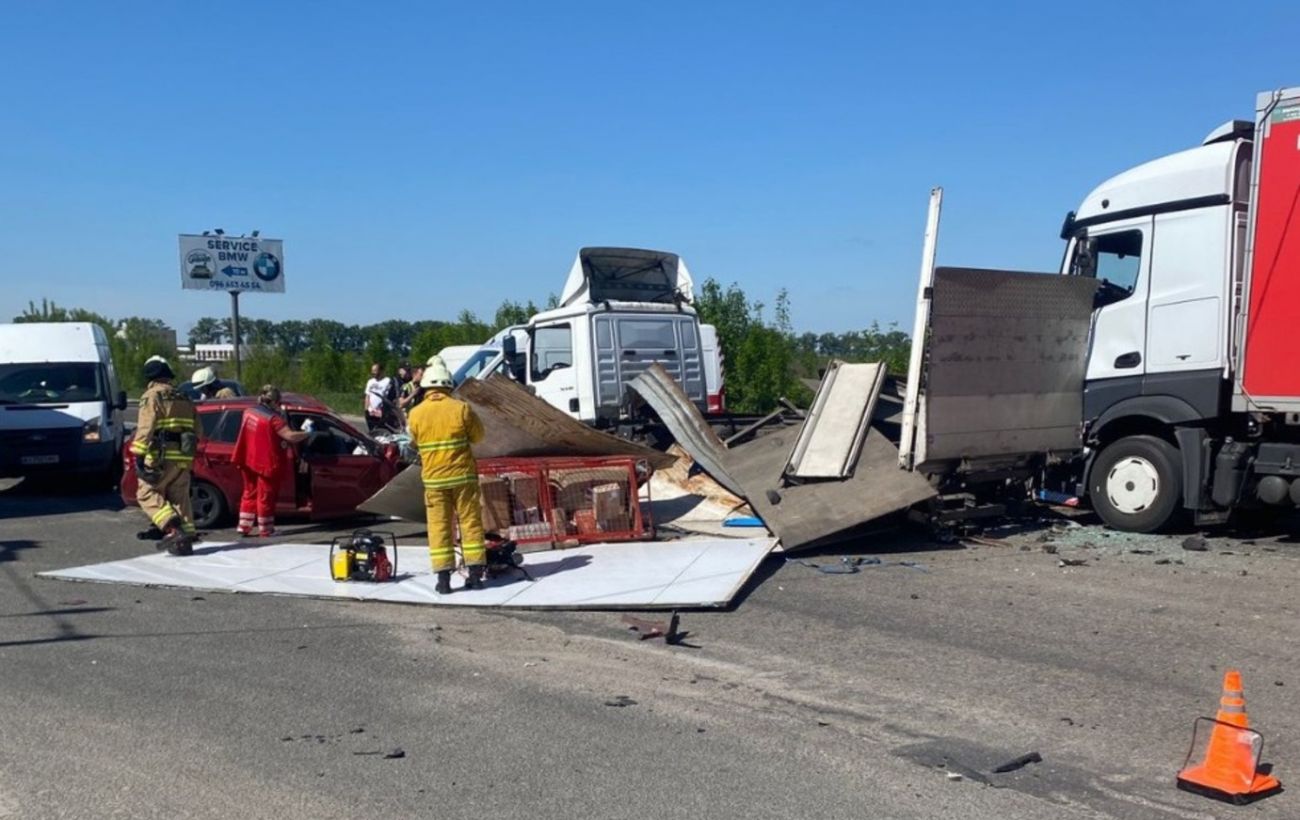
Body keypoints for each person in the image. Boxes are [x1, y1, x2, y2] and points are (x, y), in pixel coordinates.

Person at [406, 356, 486, 594]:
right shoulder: (461, 409)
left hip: (434, 481)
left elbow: (413, 442)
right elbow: (478, 437)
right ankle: (474, 576)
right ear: (448, 385)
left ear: (427, 386)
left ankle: (443, 581)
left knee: (439, 527)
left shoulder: (416, 413)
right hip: (463, 478)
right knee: (470, 523)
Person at [131, 356, 199, 555]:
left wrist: (139, 455)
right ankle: (185, 541)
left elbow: (146, 427)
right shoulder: (184, 396)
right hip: (184, 457)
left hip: (161, 456)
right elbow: (199, 430)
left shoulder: (152, 396)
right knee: (179, 498)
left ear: (150, 378)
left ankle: (173, 529)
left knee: (146, 493)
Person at [231, 385, 308, 537]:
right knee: (266, 497)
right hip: (266, 462)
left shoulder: (249, 412)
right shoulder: (274, 420)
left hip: (247, 458)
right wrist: (308, 433)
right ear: (275, 401)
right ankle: (266, 529)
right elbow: (290, 436)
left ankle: (244, 526)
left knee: (249, 493)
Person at [363, 363, 398, 433]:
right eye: (372, 371)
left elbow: (390, 397)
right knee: (372, 431)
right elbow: (367, 395)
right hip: (370, 411)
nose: (373, 373)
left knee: (380, 431)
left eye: (375, 370)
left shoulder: (387, 381)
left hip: (381, 412)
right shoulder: (370, 381)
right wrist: (366, 409)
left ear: (381, 371)